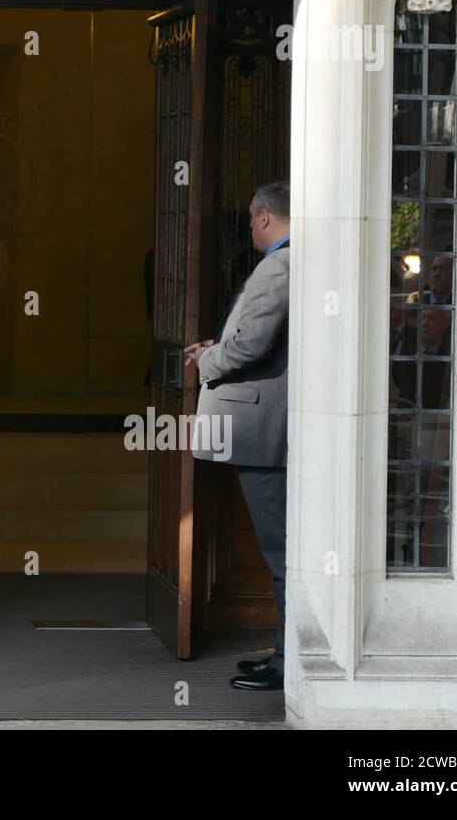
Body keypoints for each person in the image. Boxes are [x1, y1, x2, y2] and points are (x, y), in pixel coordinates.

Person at [184, 180, 290, 691]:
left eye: (251, 219)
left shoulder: (279, 265)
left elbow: (250, 345)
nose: (249, 227)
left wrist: (206, 359)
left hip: (265, 430)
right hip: (272, 428)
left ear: (266, 218)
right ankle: (285, 654)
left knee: (280, 551)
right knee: (281, 549)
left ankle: (289, 662)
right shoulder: (293, 263)